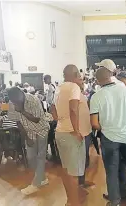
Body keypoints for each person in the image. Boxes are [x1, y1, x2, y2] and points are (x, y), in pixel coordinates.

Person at [90, 62, 126, 206]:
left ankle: (115, 201)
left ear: (97, 81)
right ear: (111, 76)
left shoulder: (96, 96)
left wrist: (107, 127)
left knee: (111, 171)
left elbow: (94, 123)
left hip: (109, 139)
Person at [51, 65, 90, 205]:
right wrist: (76, 130)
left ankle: (70, 200)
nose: (80, 78)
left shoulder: (59, 87)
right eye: (78, 75)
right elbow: (73, 109)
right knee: (73, 173)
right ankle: (74, 202)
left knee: (66, 169)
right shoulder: (73, 87)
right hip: (71, 134)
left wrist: (60, 120)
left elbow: (52, 108)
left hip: (60, 132)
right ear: (74, 75)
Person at [7, 87, 50, 195]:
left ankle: (36, 184)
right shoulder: (12, 103)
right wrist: (26, 138)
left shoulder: (33, 100)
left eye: (17, 100)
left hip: (41, 129)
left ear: (22, 94)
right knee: (31, 158)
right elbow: (18, 123)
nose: (15, 102)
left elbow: (37, 119)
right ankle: (42, 178)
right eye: (13, 101)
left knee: (40, 157)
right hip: (28, 131)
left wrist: (21, 111)